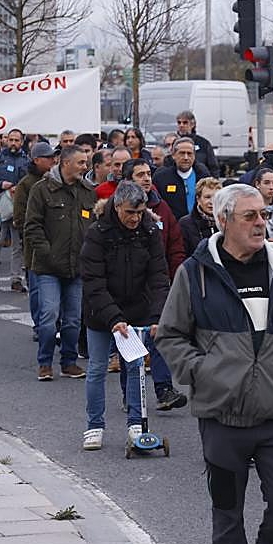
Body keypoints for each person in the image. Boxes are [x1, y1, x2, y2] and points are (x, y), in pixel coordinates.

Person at [156, 183, 273, 544]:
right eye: (250, 216)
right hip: (222, 415)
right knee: (226, 507)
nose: (261, 223)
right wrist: (205, 374)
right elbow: (170, 335)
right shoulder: (196, 273)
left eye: (263, 214)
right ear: (224, 220)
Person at [80, 181, 170, 450]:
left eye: (140, 212)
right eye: (130, 212)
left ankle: (135, 422)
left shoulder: (149, 231)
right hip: (102, 312)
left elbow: (158, 275)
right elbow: (93, 281)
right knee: (96, 368)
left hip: (137, 309)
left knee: (135, 367)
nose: (135, 218)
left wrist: (156, 316)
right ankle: (94, 425)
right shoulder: (98, 233)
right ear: (117, 206)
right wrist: (113, 318)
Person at [25, 145, 97, 381]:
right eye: (81, 163)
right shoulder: (42, 189)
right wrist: (47, 253)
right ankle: (44, 362)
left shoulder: (88, 191)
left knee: (74, 319)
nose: (85, 167)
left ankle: (69, 361)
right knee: (48, 317)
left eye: (86, 163)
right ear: (65, 163)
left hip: (77, 267)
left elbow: (93, 226)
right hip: (48, 268)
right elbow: (32, 226)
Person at [123, 157, 188, 409]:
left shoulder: (162, 208)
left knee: (158, 335)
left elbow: (174, 244)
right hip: (128, 286)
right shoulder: (117, 210)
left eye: (149, 174)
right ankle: (131, 395)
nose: (147, 179)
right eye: (140, 175)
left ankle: (164, 391)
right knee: (132, 345)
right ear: (128, 180)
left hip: (156, 283)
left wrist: (175, 275)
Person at [12, 142, 58, 335]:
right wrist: (35, 236)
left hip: (57, 242)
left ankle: (53, 324)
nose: (52, 160)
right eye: (48, 157)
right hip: (34, 246)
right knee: (37, 289)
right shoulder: (26, 185)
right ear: (36, 160)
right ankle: (39, 325)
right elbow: (20, 218)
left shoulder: (56, 181)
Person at [0, 129, 30, 293]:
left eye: (17, 140)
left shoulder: (27, 161)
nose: (13, 143)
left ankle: (16, 279)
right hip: (1, 207)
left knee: (18, 245)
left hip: (19, 207)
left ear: (22, 142)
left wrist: (21, 189)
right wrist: (1, 185)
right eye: (11, 140)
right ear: (6, 141)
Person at [154, 137, 211, 220]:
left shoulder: (203, 175)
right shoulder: (161, 177)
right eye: (182, 153)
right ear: (173, 155)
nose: (186, 157)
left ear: (194, 156)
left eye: (189, 153)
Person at [179, 177, 221, 255]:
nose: (212, 202)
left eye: (216, 197)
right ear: (198, 199)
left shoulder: (228, 223)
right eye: (207, 197)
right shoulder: (185, 224)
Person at [174, 109, 221, 176]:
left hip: (200, 180)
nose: (181, 125)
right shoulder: (173, 142)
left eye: (185, 123)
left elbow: (213, 167)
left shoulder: (203, 143)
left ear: (192, 124)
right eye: (179, 122)